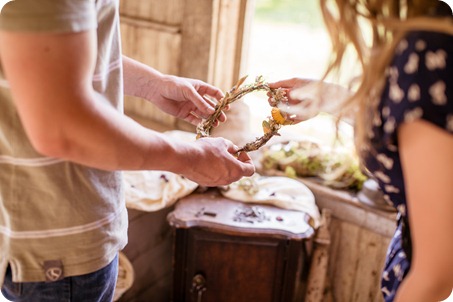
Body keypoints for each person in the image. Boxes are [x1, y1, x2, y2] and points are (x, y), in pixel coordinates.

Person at [0, 0, 254, 301]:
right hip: (59, 245)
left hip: (43, 230)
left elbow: (50, 52)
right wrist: (189, 158)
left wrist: (153, 85)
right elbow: (62, 127)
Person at [267, 0, 453, 301]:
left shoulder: (427, 49)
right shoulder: (431, 19)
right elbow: (402, 119)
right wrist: (328, 97)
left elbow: (436, 275)